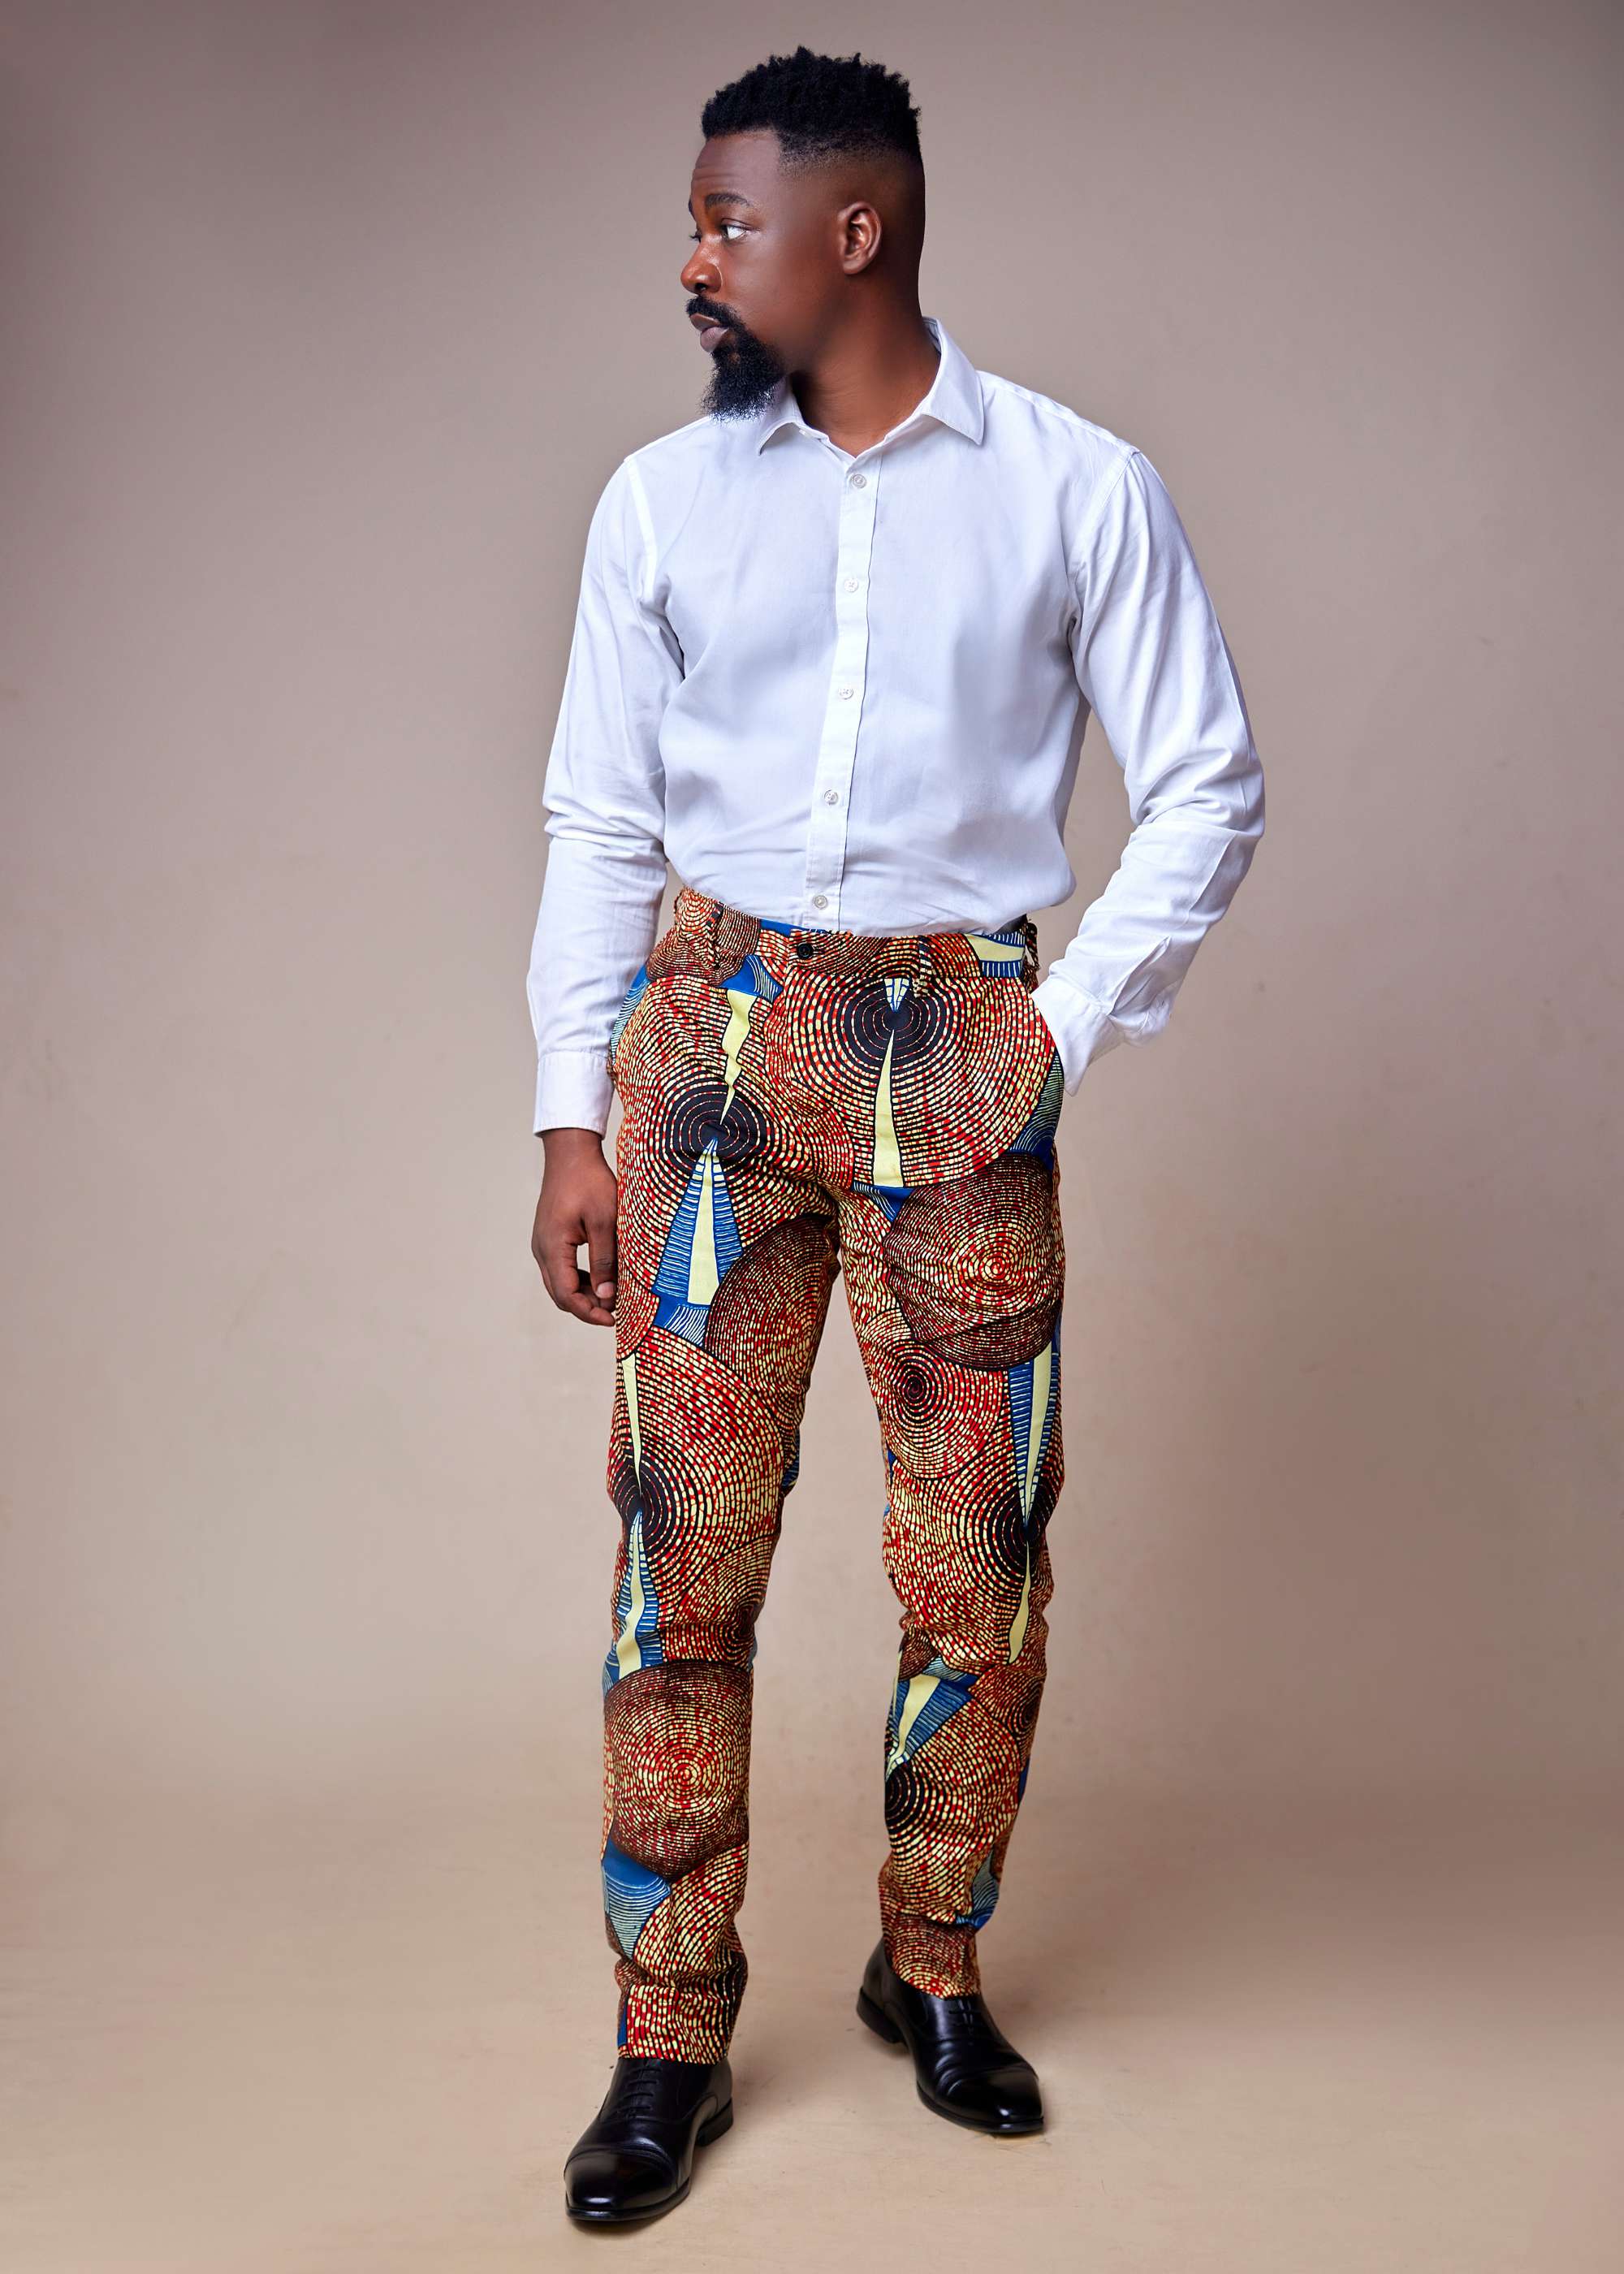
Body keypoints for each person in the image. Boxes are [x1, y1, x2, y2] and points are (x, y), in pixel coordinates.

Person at [528, 43, 1265, 2227]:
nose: (692, 261)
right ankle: (668, 2032)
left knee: (983, 1559)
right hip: (707, 1066)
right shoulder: (660, 505)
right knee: (683, 1560)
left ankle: (930, 1963)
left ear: (855, 233)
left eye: (725, 224)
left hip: (960, 1058)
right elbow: (597, 816)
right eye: (694, 221)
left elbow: (1208, 778)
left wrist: (1055, 1031)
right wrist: (570, 1117)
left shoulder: (1074, 487)